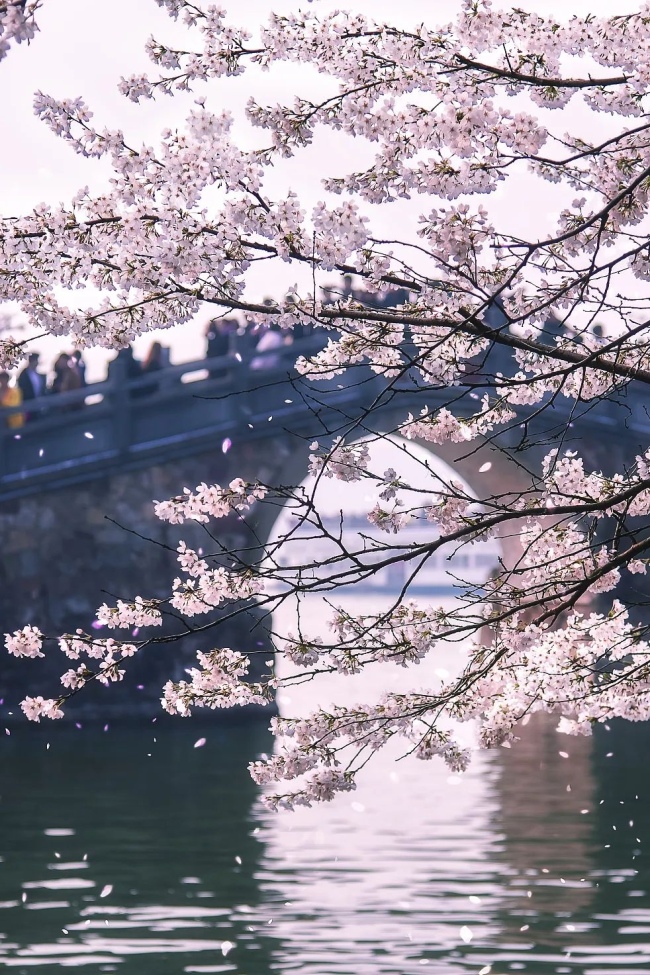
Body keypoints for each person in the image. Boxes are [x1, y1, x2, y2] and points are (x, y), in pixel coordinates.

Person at [17, 352, 46, 420]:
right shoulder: (23, 374)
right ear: (31, 361)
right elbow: (22, 389)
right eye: (36, 360)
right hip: (28, 404)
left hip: (38, 403)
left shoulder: (37, 374)